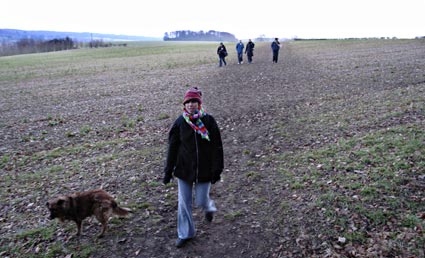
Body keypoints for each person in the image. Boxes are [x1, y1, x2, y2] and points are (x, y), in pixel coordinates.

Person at [163, 87, 224, 248]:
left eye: (194, 101)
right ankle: (185, 233)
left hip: (205, 170)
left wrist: (217, 169)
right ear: (184, 104)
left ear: (199, 103)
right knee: (184, 203)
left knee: (201, 200)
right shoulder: (180, 123)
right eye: (188, 102)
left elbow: (217, 146)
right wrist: (168, 171)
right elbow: (172, 148)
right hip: (184, 170)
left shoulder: (209, 121)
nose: (191, 105)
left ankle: (209, 207)